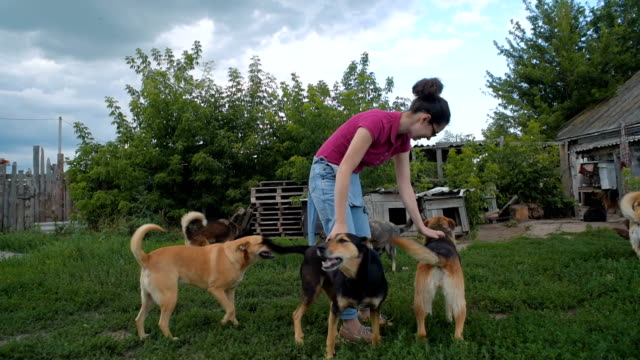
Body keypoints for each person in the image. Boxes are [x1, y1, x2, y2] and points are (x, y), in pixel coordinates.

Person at [306, 77, 450, 343]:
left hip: (350, 178)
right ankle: (347, 326)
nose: (429, 139)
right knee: (346, 249)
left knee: (366, 250)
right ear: (425, 119)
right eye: (434, 133)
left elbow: (405, 185)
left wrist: (421, 225)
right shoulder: (376, 122)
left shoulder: (402, 141)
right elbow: (344, 167)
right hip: (328, 173)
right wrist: (339, 222)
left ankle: (362, 310)